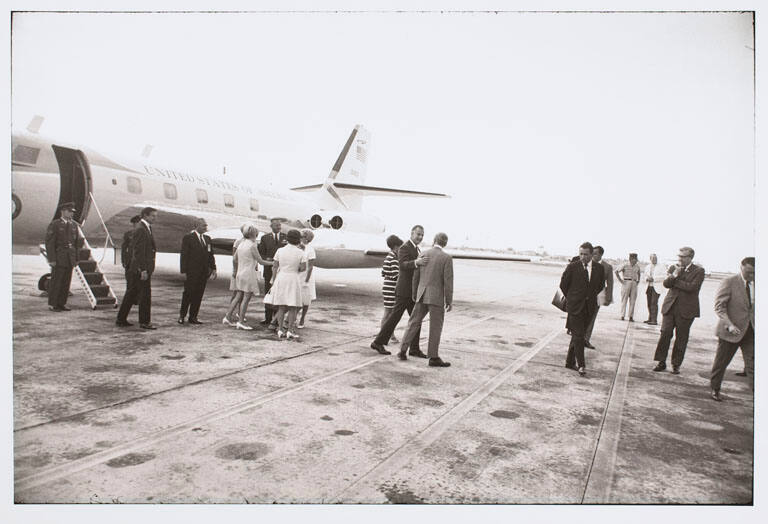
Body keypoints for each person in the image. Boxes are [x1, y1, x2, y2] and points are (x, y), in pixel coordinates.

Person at [370, 225, 429, 357]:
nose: (420, 237)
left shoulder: (415, 248)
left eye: (422, 235)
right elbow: (402, 265)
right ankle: (378, 342)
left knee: (415, 319)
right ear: (412, 233)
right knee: (396, 318)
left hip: (410, 291)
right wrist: (417, 262)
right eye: (418, 234)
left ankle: (414, 348)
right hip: (404, 291)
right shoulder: (404, 247)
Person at [399, 232, 453, 367]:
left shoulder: (423, 254)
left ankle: (402, 350)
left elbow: (415, 276)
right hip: (436, 297)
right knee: (435, 327)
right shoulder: (446, 258)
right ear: (445, 243)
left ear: (434, 240)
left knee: (413, 323)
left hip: (421, 295)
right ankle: (433, 357)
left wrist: (415, 293)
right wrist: (449, 300)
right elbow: (448, 281)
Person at [652, 246, 705, 374]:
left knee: (681, 338)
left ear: (690, 258)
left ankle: (676, 364)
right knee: (665, 334)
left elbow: (692, 287)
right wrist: (674, 275)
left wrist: (675, 280)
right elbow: (666, 284)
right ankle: (661, 362)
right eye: (679, 256)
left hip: (686, 310)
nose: (679, 259)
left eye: (682, 256)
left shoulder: (699, 271)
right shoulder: (673, 268)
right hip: (670, 307)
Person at [709, 257, 755, 401]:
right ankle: (715, 389)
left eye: (754, 273)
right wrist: (729, 324)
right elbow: (719, 307)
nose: (752, 276)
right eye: (749, 272)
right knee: (721, 363)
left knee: (753, 365)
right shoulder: (729, 282)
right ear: (741, 267)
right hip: (731, 330)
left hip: (751, 331)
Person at [560, 242, 605, 376]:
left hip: (589, 307)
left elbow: (600, 285)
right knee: (579, 335)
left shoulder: (599, 268)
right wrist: (573, 298)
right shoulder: (573, 267)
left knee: (577, 335)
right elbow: (563, 285)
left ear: (591, 255)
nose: (583, 257)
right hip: (574, 307)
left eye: (586, 254)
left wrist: (590, 297)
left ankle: (569, 362)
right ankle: (581, 365)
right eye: (581, 254)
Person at [224, 225, 273, 330]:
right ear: (253, 234)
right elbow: (260, 261)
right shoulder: (252, 245)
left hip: (240, 273)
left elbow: (234, 259)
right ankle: (241, 321)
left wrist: (236, 269)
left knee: (238, 296)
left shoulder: (241, 244)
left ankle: (228, 317)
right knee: (246, 298)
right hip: (248, 274)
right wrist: (273, 262)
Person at [116, 207, 158, 329]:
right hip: (141, 269)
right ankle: (144, 322)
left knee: (131, 293)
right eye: (153, 216)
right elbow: (138, 251)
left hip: (137, 268)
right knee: (145, 296)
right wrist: (143, 269)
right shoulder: (141, 229)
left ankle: (121, 319)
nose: (155, 218)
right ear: (145, 215)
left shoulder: (145, 227)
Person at [178, 218, 217, 325]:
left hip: (203, 273)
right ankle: (182, 315)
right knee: (188, 294)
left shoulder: (207, 239)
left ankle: (193, 316)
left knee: (198, 295)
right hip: (192, 272)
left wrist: (213, 268)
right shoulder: (188, 238)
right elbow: (184, 255)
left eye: (206, 225)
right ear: (197, 226)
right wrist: (184, 272)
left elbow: (210, 255)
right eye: (204, 225)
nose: (206, 227)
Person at [268, 229, 306, 339]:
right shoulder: (300, 253)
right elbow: (303, 268)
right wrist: (295, 268)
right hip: (293, 278)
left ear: (287, 239)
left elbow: (275, 266)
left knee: (281, 305)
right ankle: (290, 330)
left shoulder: (280, 250)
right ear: (298, 239)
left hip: (281, 277)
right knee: (293, 306)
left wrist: (274, 280)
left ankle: (279, 329)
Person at [44, 202, 79, 312]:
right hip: (59, 258)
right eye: (69, 211)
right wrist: (52, 259)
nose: (71, 214)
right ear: (63, 211)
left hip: (69, 258)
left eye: (72, 212)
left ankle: (62, 303)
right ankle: (53, 304)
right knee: (56, 282)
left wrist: (76, 259)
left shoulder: (74, 225)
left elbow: (77, 244)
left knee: (66, 282)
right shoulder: (55, 224)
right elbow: (49, 243)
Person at [258, 218, 287, 325]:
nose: (278, 227)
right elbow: (261, 253)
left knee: (280, 294)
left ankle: (277, 317)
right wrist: (267, 259)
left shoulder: (285, 237)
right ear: (271, 226)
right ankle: (268, 317)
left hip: (282, 270)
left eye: (279, 225)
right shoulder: (265, 238)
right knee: (268, 293)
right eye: (276, 225)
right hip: (269, 270)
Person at [584, 245, 614, 349]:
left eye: (595, 253)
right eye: (592, 253)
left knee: (592, 318)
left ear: (601, 255)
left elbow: (610, 283)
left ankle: (586, 339)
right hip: (584, 296)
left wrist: (608, 298)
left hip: (597, 297)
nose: (593, 255)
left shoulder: (607, 267)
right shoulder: (587, 263)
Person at [380, 235, 404, 344]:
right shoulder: (393, 258)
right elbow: (397, 275)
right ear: (395, 247)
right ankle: (386, 335)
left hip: (387, 285)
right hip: (391, 287)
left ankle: (387, 334)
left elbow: (384, 272)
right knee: (389, 312)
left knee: (389, 312)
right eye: (400, 247)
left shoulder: (389, 256)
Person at [227, 224, 250, 322]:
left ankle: (239, 313)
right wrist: (235, 270)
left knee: (242, 294)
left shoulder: (251, 242)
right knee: (236, 293)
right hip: (239, 270)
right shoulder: (238, 242)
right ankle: (230, 313)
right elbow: (234, 258)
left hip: (245, 270)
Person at [297, 229, 317, 329]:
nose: (300, 238)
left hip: (306, 276)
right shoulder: (298, 247)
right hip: (298, 274)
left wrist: (306, 280)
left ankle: (302, 319)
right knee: (296, 297)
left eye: (302, 236)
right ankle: (292, 318)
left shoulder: (310, 249)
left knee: (306, 299)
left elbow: (310, 267)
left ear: (306, 238)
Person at [615, 253, 641, 321]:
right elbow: (616, 271)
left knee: (633, 300)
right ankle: (622, 315)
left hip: (634, 282)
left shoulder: (637, 266)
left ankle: (631, 316)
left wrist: (638, 281)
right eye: (634, 259)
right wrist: (620, 280)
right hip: (626, 281)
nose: (635, 261)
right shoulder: (625, 265)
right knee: (624, 299)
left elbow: (639, 274)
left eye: (636, 259)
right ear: (630, 259)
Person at [643, 253, 667, 325]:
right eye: (653, 258)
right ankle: (650, 318)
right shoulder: (647, 267)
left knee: (654, 303)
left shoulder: (661, 266)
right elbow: (644, 276)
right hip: (648, 287)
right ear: (650, 259)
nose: (654, 260)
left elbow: (664, 276)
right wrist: (647, 278)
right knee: (649, 303)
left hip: (657, 287)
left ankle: (654, 320)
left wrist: (654, 279)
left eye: (655, 258)